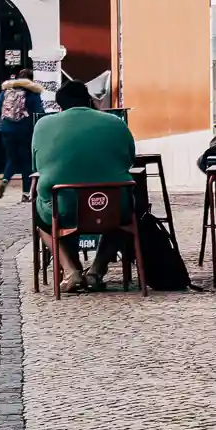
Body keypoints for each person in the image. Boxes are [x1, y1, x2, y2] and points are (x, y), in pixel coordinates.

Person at [30, 79, 137, 293]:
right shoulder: (116, 122)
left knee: (44, 220)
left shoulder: (43, 125)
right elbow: (130, 160)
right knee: (125, 216)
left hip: (63, 206)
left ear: (60, 107)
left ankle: (71, 271)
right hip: (111, 204)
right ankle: (96, 271)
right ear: (89, 100)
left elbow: (37, 165)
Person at [0, 75, 44, 199]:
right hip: (24, 131)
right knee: (26, 161)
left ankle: (5, 179)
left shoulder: (6, 91)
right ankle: (25, 193)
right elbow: (39, 110)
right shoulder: (32, 92)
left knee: (12, 158)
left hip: (5, 129)